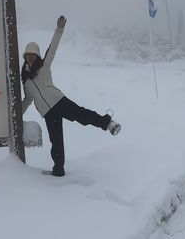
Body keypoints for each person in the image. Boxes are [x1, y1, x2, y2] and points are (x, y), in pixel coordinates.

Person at [21, 14, 121, 177]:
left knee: (82, 116)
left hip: (58, 101)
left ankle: (108, 123)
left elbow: (52, 49)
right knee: (56, 141)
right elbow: (28, 99)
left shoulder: (44, 66)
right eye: (28, 55)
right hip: (47, 112)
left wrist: (59, 29)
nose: (30, 57)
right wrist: (18, 114)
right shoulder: (25, 80)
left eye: (33, 55)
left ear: (37, 56)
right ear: (25, 57)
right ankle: (58, 170)